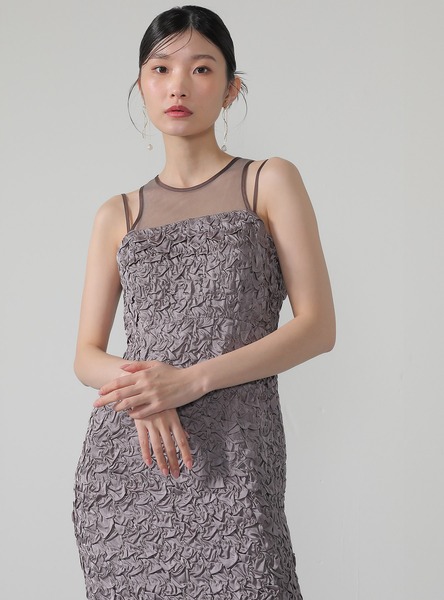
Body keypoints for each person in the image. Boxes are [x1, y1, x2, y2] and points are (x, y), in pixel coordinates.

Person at [72, 5, 335, 599]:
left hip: (236, 454)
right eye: (160, 69)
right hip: (129, 467)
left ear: (231, 87)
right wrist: (146, 392)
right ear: (141, 86)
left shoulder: (268, 181)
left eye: (201, 69)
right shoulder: (118, 214)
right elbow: (86, 356)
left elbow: (318, 327)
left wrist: (187, 382)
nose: (178, 86)